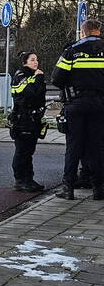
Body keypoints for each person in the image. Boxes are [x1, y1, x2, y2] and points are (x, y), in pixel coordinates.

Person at [53, 18, 104, 200]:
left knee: (74, 147)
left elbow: (57, 78)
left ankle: (68, 188)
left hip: (76, 104)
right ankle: (99, 189)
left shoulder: (72, 51)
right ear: (98, 31)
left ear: (83, 32)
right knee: (97, 146)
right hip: (99, 104)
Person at [9, 51, 47, 192]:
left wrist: (38, 80)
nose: (36, 62)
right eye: (32, 60)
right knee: (22, 151)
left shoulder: (34, 75)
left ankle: (29, 179)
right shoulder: (21, 76)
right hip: (22, 118)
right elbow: (31, 93)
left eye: (36, 59)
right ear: (25, 62)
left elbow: (40, 94)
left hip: (33, 118)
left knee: (29, 151)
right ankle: (20, 180)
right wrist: (39, 79)